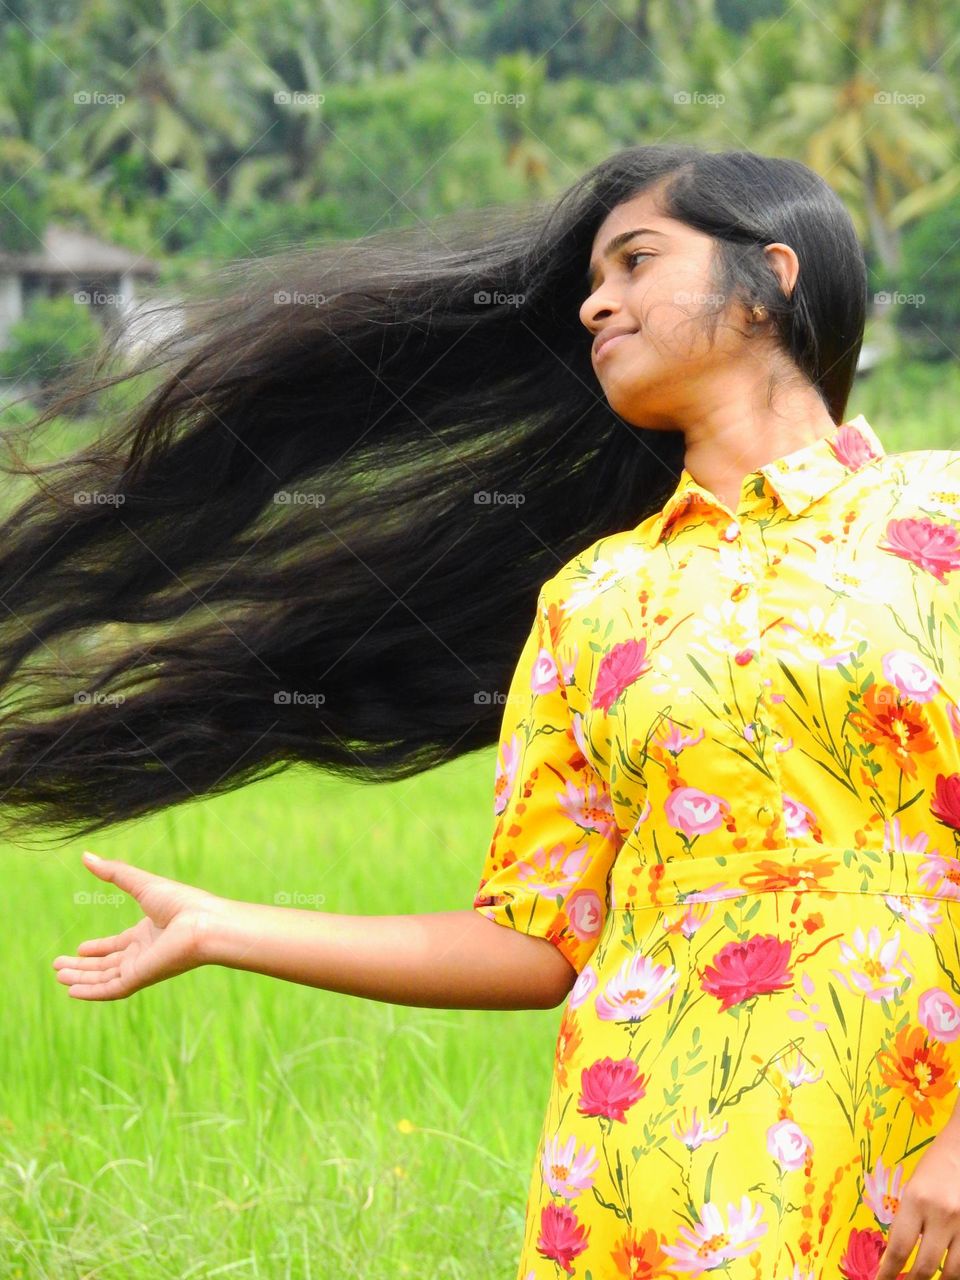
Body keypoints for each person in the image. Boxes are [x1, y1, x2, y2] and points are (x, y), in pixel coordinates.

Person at [34, 144, 960, 1277]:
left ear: (769, 277)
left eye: (634, 260)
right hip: (643, 1172)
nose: (594, 299)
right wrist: (226, 927)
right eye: (591, 277)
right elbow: (535, 937)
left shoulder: (943, 518)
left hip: (913, 1138)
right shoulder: (595, 597)